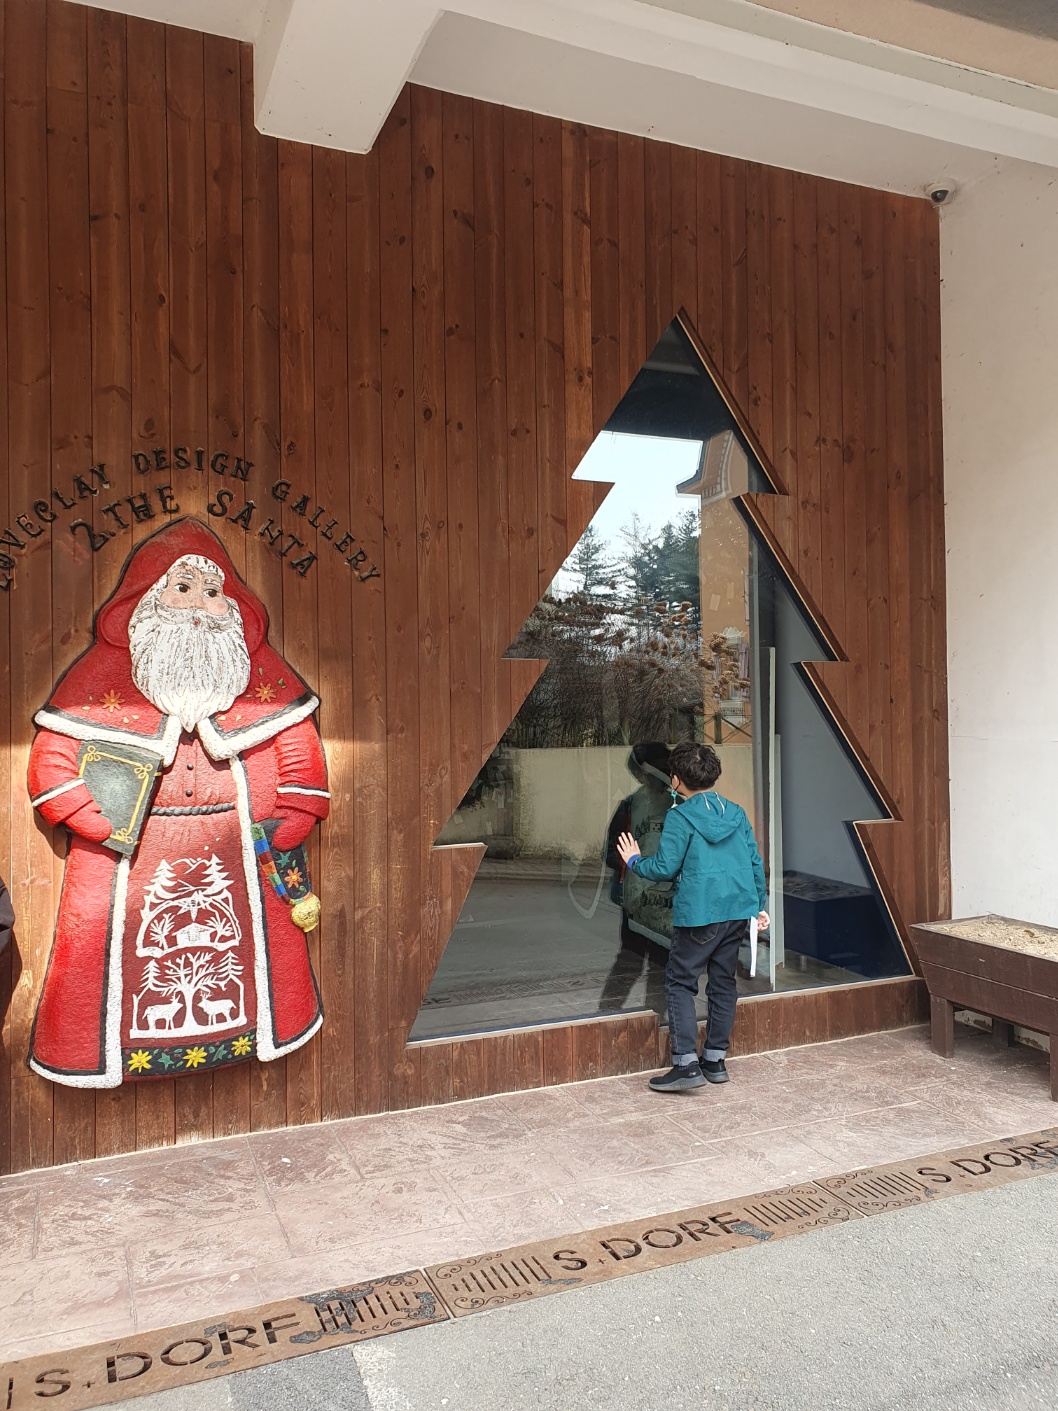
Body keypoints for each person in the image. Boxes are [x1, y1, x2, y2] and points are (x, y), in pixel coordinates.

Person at [27, 518, 329, 1089]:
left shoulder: (262, 677)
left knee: (251, 960)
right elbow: (54, 757)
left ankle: (250, 1032)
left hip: (241, 854)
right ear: (147, 602)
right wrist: (87, 817)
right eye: (182, 588)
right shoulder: (99, 679)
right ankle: (116, 1051)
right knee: (112, 961)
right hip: (131, 857)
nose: (197, 606)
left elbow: (298, 748)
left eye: (211, 592)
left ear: (233, 607)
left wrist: (294, 813)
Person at [616, 741, 768, 1092]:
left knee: (681, 983)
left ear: (676, 779)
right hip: (736, 913)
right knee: (723, 984)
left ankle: (685, 1065)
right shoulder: (736, 812)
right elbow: (754, 863)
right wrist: (758, 907)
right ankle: (714, 1060)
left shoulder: (680, 816)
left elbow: (664, 867)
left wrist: (634, 860)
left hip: (700, 914)